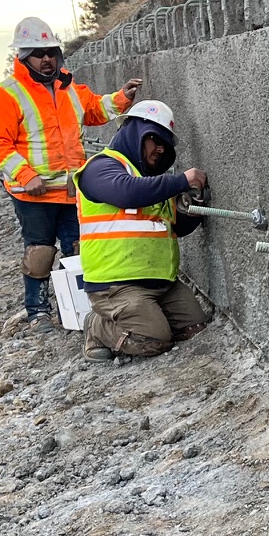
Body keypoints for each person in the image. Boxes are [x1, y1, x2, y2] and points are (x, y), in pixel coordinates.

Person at [0, 16, 142, 327]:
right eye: (38, 55)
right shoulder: (5, 95)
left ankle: (83, 310)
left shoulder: (70, 89)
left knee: (78, 251)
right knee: (40, 251)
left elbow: (95, 109)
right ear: (24, 58)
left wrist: (122, 98)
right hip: (33, 194)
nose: (46, 60)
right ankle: (37, 311)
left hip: (70, 191)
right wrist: (27, 177)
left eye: (51, 53)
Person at [73, 100, 211, 362]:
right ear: (134, 132)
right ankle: (97, 327)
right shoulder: (101, 167)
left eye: (164, 145)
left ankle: (146, 317)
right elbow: (126, 192)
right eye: (154, 139)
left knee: (194, 328)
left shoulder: (152, 182)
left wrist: (197, 204)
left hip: (161, 283)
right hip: (116, 287)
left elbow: (177, 228)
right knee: (152, 340)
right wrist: (181, 181)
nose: (160, 149)